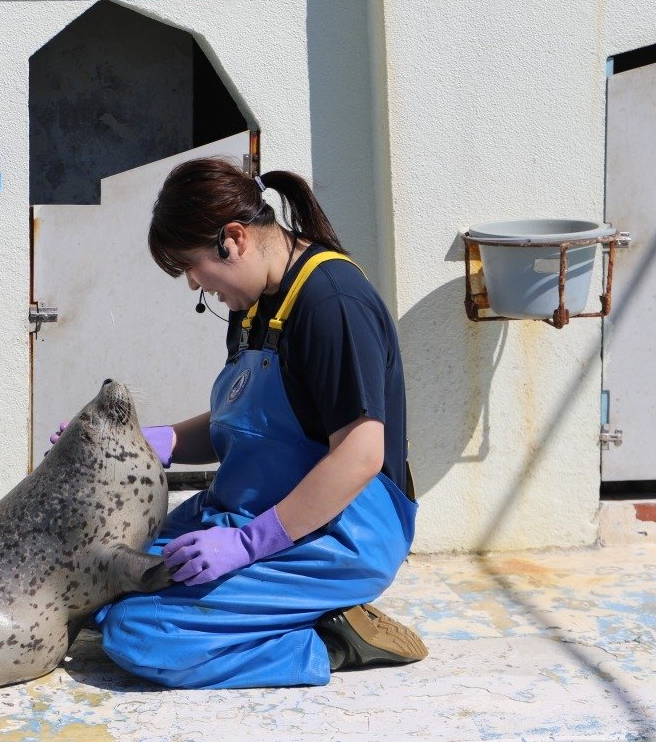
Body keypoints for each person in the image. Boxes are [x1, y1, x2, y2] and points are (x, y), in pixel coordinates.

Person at [56, 157, 425, 689]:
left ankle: (328, 638)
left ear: (233, 239)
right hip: (253, 510)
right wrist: (141, 443)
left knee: (141, 634)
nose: (192, 285)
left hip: (340, 533)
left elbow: (361, 454)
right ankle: (274, 614)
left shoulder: (332, 304)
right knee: (102, 576)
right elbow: (248, 421)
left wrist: (249, 544)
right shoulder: (255, 303)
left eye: (191, 268)